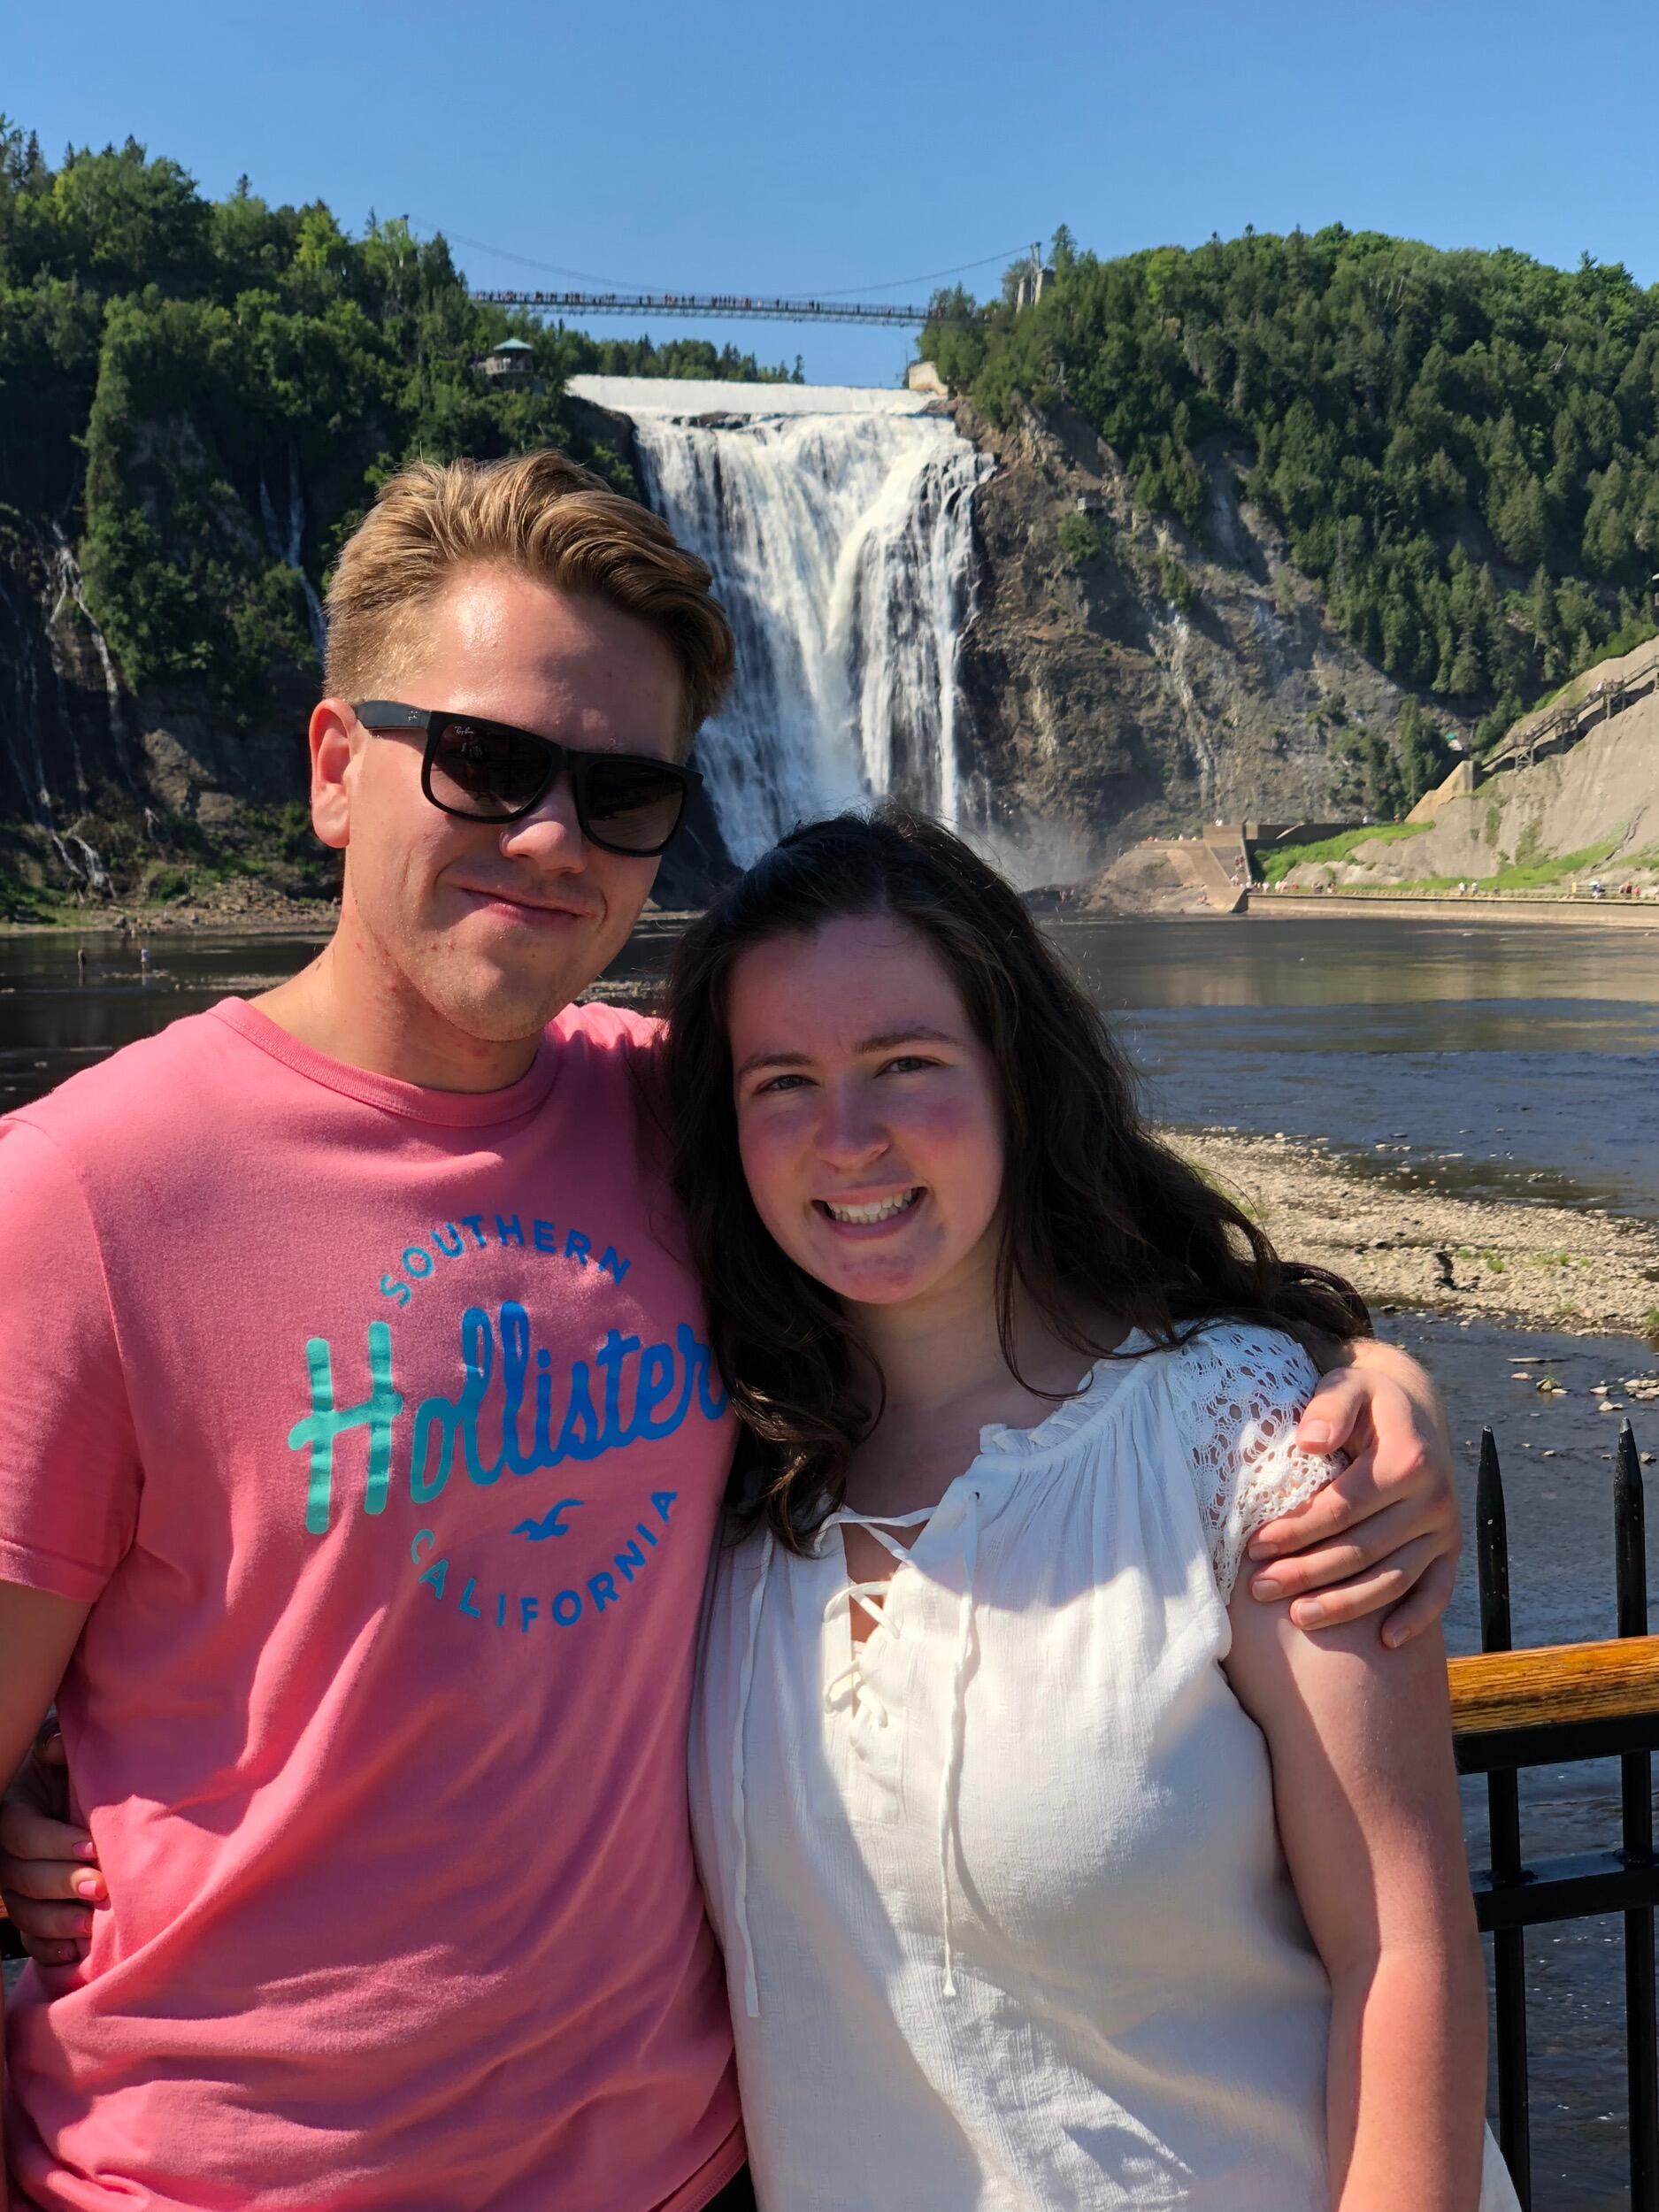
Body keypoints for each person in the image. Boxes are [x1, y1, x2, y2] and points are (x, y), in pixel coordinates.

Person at [0, 451, 1457, 2212]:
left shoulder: (684, 1115)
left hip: (682, 2176)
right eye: (485, 761)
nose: (551, 836)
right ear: (332, 766)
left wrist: (1355, 1372)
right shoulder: (82, 1194)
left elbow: (1044, 1219)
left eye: (623, 795)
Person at [664, 810, 1515, 2210]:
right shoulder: (729, 1472)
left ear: (1017, 1077)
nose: (849, 1138)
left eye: (905, 1065)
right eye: (784, 1083)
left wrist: (1366, 1364)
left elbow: (1403, 1953)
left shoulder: (1245, 1441)